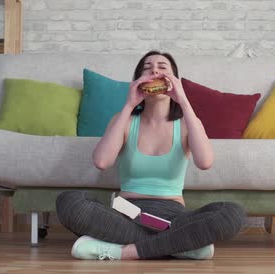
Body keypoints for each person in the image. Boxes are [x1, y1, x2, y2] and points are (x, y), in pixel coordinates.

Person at [55, 51, 249, 260]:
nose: (154, 70)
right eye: (147, 68)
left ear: (175, 80)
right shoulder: (124, 120)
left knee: (231, 213)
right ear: (138, 80)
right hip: (125, 214)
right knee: (69, 201)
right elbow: (101, 162)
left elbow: (205, 162)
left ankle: (122, 251)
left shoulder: (186, 123)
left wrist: (184, 101)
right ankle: (181, 245)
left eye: (162, 67)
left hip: (173, 216)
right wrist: (129, 105)